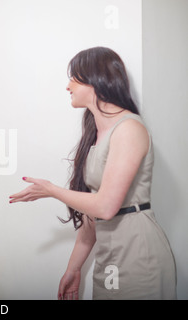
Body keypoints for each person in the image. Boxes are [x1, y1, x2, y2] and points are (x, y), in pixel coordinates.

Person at [9, 46, 177, 300]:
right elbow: (93, 213)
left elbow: (106, 207)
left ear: (95, 79)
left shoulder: (129, 128)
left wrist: (52, 190)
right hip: (108, 259)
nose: (68, 86)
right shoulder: (95, 134)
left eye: (73, 77)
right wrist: (73, 269)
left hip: (139, 255)